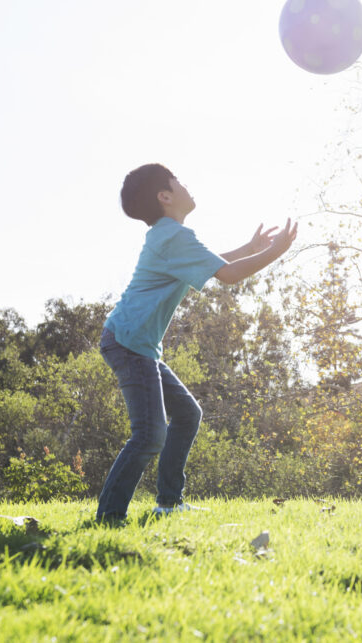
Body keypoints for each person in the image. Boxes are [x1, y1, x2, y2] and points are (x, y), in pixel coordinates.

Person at [96, 163, 297, 523]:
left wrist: (249, 248)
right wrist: (274, 251)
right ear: (165, 196)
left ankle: (169, 502)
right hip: (129, 342)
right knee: (149, 435)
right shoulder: (173, 236)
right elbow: (228, 275)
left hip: (136, 343)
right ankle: (109, 516)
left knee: (187, 414)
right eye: (179, 181)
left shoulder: (169, 236)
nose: (186, 185)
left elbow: (212, 264)